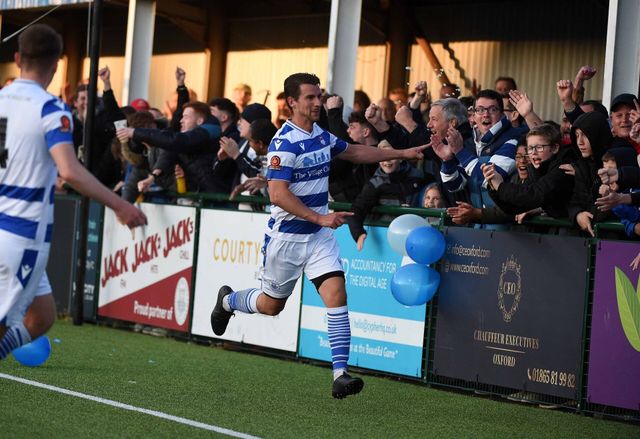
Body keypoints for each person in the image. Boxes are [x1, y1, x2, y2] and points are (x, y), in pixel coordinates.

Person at [210, 72, 427, 399]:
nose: (317, 103)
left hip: (318, 236)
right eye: (310, 97)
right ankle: (227, 300)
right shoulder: (283, 144)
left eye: (319, 96)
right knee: (271, 306)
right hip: (287, 238)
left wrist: (403, 154)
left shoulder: (321, 135)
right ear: (292, 102)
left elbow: (354, 152)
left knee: (337, 295)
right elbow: (278, 195)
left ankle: (340, 374)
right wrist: (319, 217)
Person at [0, 24, 147, 359]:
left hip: (5, 222)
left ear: (18, 58)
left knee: (43, 315)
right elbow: (69, 170)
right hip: (22, 234)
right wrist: (119, 205)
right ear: (56, 64)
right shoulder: (51, 109)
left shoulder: (2, 100)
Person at [347, 140, 429, 251]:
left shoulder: (418, 176)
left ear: (401, 157)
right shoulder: (375, 184)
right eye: (382, 157)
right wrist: (358, 233)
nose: (387, 161)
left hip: (419, 234)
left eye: (391, 156)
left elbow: (433, 194)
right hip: (391, 237)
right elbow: (357, 209)